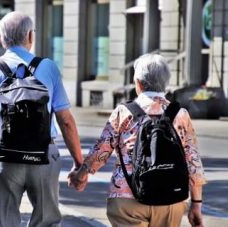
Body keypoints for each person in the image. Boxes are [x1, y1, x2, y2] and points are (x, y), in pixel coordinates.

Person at [0, 11, 84, 227]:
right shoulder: (48, 68)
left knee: (4, 222)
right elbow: (65, 120)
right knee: (46, 221)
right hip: (44, 158)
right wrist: (79, 165)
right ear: (30, 36)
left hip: (4, 160)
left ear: (1, 38)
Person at [68, 54, 206, 227]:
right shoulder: (180, 115)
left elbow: (101, 151)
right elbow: (193, 163)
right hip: (171, 200)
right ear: (165, 83)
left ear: (139, 83)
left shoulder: (123, 112)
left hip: (127, 199)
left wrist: (81, 174)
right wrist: (196, 205)